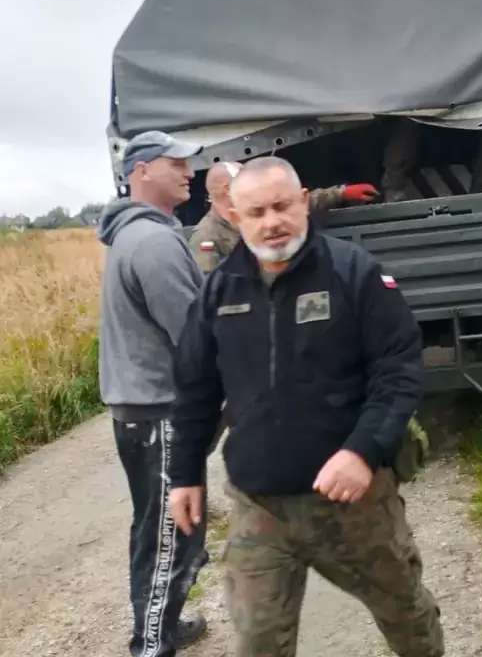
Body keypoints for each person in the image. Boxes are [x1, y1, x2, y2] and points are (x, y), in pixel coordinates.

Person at [168, 156, 445, 657]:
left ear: (303, 203)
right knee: (257, 641)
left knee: (407, 618)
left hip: (354, 505)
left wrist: (362, 451)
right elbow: (195, 388)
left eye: (281, 206)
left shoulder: (352, 272)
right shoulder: (219, 291)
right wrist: (185, 473)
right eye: (256, 212)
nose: (271, 222)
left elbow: (398, 368)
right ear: (235, 216)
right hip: (261, 507)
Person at [98, 130, 209, 656]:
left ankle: (162, 622)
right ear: (141, 170)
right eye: (176, 163)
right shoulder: (155, 243)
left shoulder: (136, 234)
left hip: (142, 409)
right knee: (171, 534)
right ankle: (151, 643)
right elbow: (194, 336)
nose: (190, 172)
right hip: (157, 410)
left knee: (158, 528)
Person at [189, 160, 380, 273]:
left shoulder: (351, 262)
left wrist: (341, 193)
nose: (271, 222)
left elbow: (294, 203)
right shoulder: (206, 237)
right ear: (227, 190)